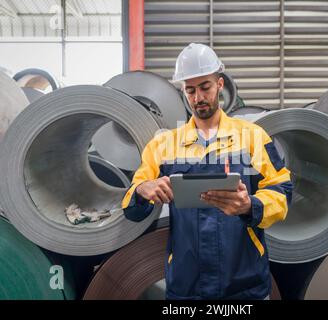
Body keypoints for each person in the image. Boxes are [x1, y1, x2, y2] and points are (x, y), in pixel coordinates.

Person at [122, 43, 292, 300]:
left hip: (244, 286)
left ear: (220, 84)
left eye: (205, 87)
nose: (198, 98)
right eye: (190, 90)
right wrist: (142, 190)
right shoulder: (164, 144)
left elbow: (282, 191)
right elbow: (131, 205)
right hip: (187, 286)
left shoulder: (251, 137)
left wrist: (251, 205)